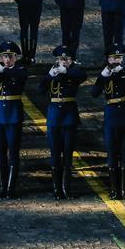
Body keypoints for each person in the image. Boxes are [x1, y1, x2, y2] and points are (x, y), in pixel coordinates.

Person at [91, 43, 125, 200]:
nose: (116, 60)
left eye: (119, 57)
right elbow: (94, 93)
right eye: (114, 58)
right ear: (108, 58)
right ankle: (114, 189)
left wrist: (122, 69)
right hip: (112, 115)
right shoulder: (105, 74)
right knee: (112, 153)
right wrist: (102, 76)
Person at [40, 45, 88, 199]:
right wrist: (49, 76)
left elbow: (82, 76)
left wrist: (66, 71)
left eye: (66, 59)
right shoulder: (53, 71)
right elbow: (41, 89)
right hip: (54, 115)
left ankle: (66, 188)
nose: (63, 61)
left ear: (71, 60)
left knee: (68, 154)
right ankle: (56, 189)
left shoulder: (74, 72)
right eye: (61, 59)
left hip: (69, 115)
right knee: (55, 153)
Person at [0, 41, 29, 199]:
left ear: (16, 57)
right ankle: (2, 185)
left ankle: (11, 187)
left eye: (10, 56)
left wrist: (2, 72)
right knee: (0, 152)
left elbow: (19, 77)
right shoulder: (0, 70)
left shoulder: (20, 69)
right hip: (0, 113)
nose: (7, 59)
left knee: (13, 152)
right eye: (5, 56)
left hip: (13, 113)